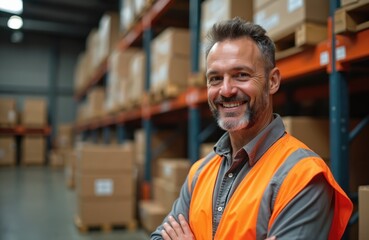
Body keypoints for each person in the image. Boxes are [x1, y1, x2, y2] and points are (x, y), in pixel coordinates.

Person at [150, 17, 353, 240]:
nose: (226, 90)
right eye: (215, 78)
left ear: (272, 81)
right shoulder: (200, 172)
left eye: (241, 75)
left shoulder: (303, 176)